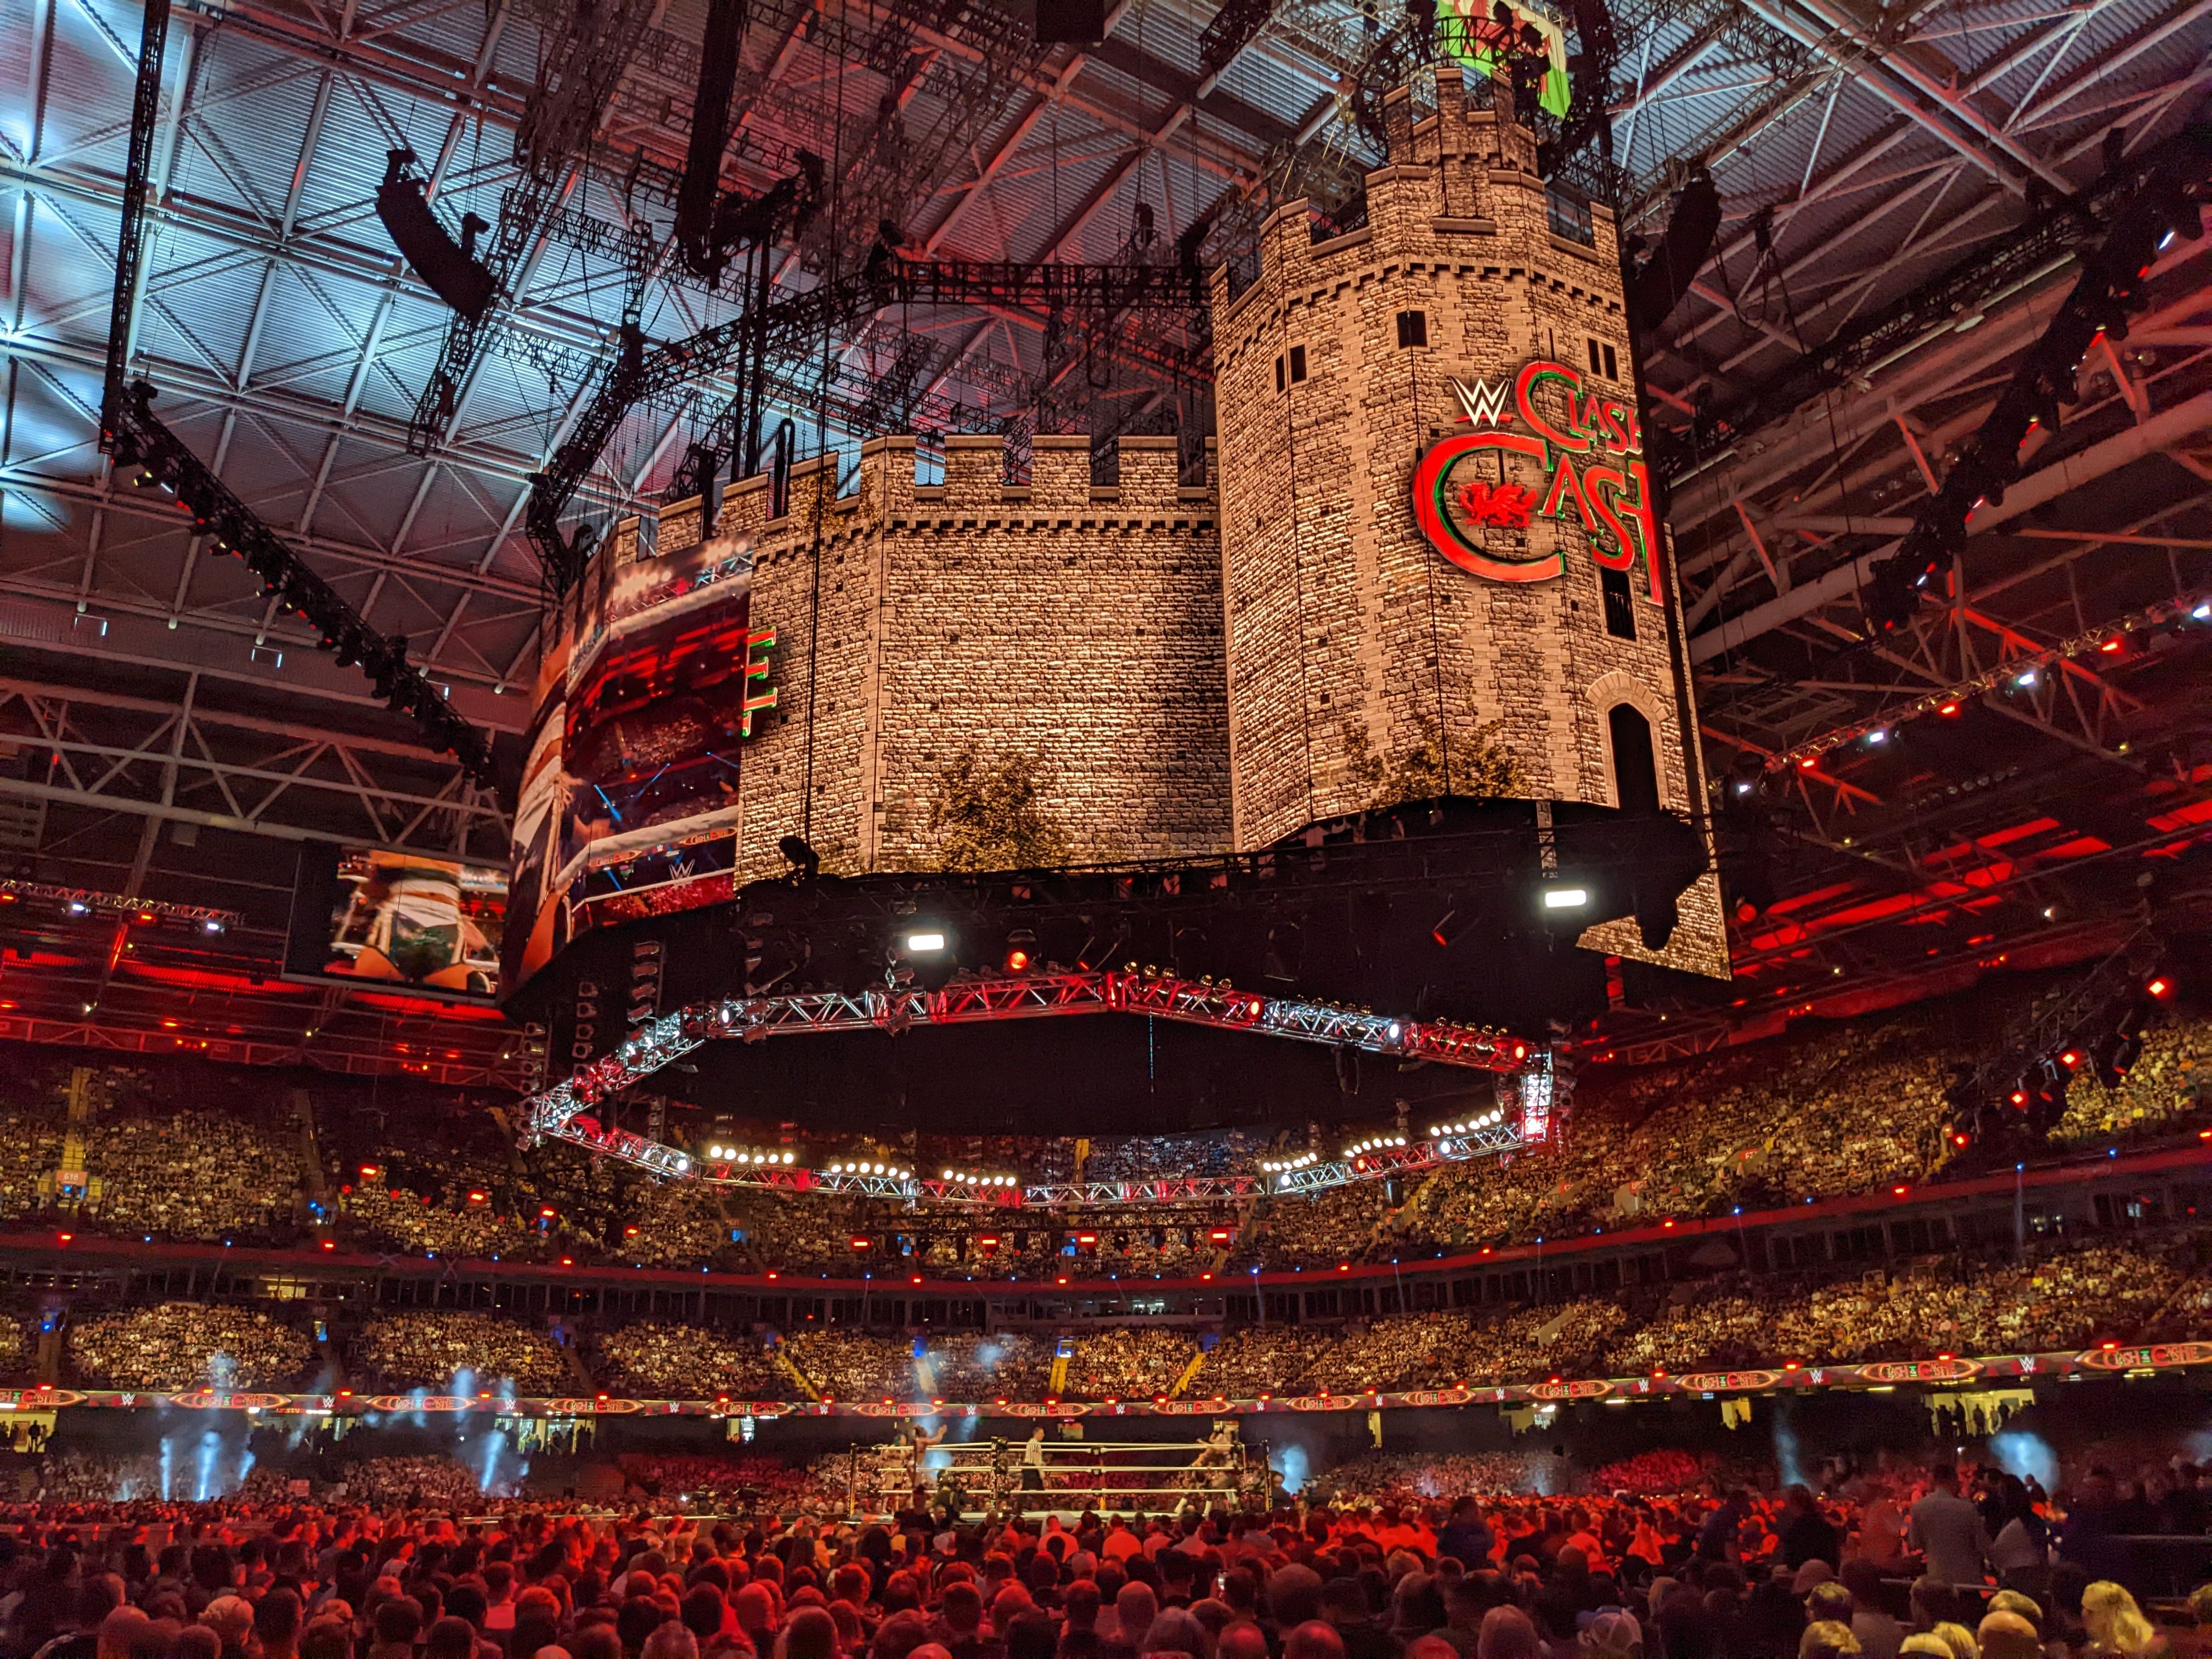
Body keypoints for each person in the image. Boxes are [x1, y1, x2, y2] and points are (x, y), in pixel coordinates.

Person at [1906, 1469, 1989, 1589]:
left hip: (1937, 1576)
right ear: (1953, 1482)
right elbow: (1982, 1544)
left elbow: (1915, 1543)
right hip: (1968, 1578)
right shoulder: (1967, 1509)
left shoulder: (1919, 1508)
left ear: (1934, 1482)